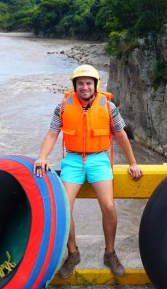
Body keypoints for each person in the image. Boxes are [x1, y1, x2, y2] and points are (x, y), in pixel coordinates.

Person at [34, 64, 143, 278]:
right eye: (81, 83)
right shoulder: (63, 106)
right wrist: (42, 157)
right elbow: (52, 134)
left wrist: (133, 162)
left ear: (95, 86)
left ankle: (110, 253)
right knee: (63, 209)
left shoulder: (109, 107)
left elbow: (121, 135)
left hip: (98, 159)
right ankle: (72, 253)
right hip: (73, 161)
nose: (85, 87)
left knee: (109, 207)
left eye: (89, 83)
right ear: (75, 86)